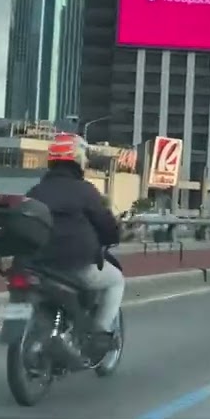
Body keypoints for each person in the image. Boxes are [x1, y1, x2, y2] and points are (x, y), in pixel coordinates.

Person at [26, 132, 124, 355]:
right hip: (74, 265)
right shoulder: (86, 191)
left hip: (37, 265)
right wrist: (112, 237)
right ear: (79, 160)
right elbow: (106, 225)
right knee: (115, 281)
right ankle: (98, 335)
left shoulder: (36, 191)